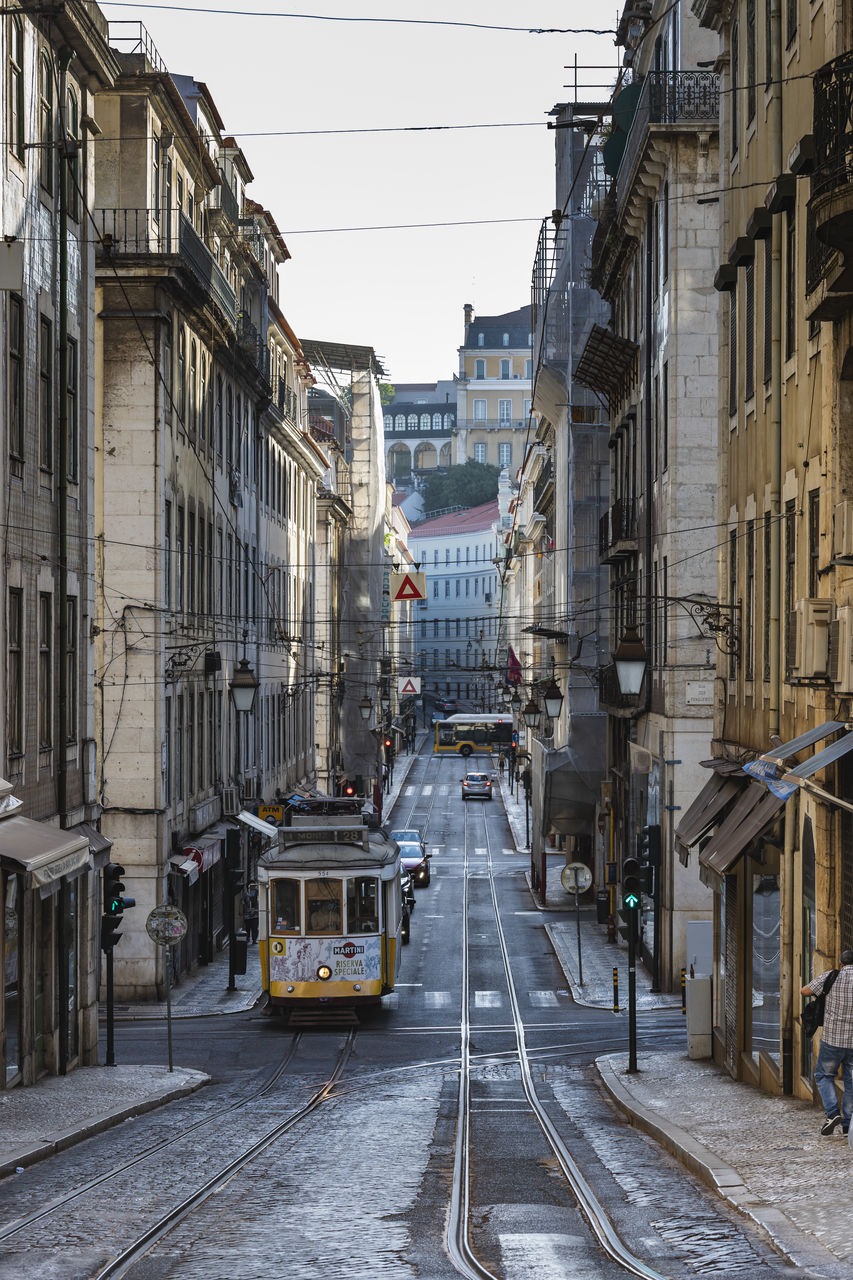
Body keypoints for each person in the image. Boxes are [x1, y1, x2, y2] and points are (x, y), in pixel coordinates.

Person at [801, 948, 853, 1136]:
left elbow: (804, 991)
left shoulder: (832, 976)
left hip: (833, 1039)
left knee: (823, 1075)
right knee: (851, 1082)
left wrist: (823, 994)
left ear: (841, 963)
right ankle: (848, 1125)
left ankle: (832, 1113)